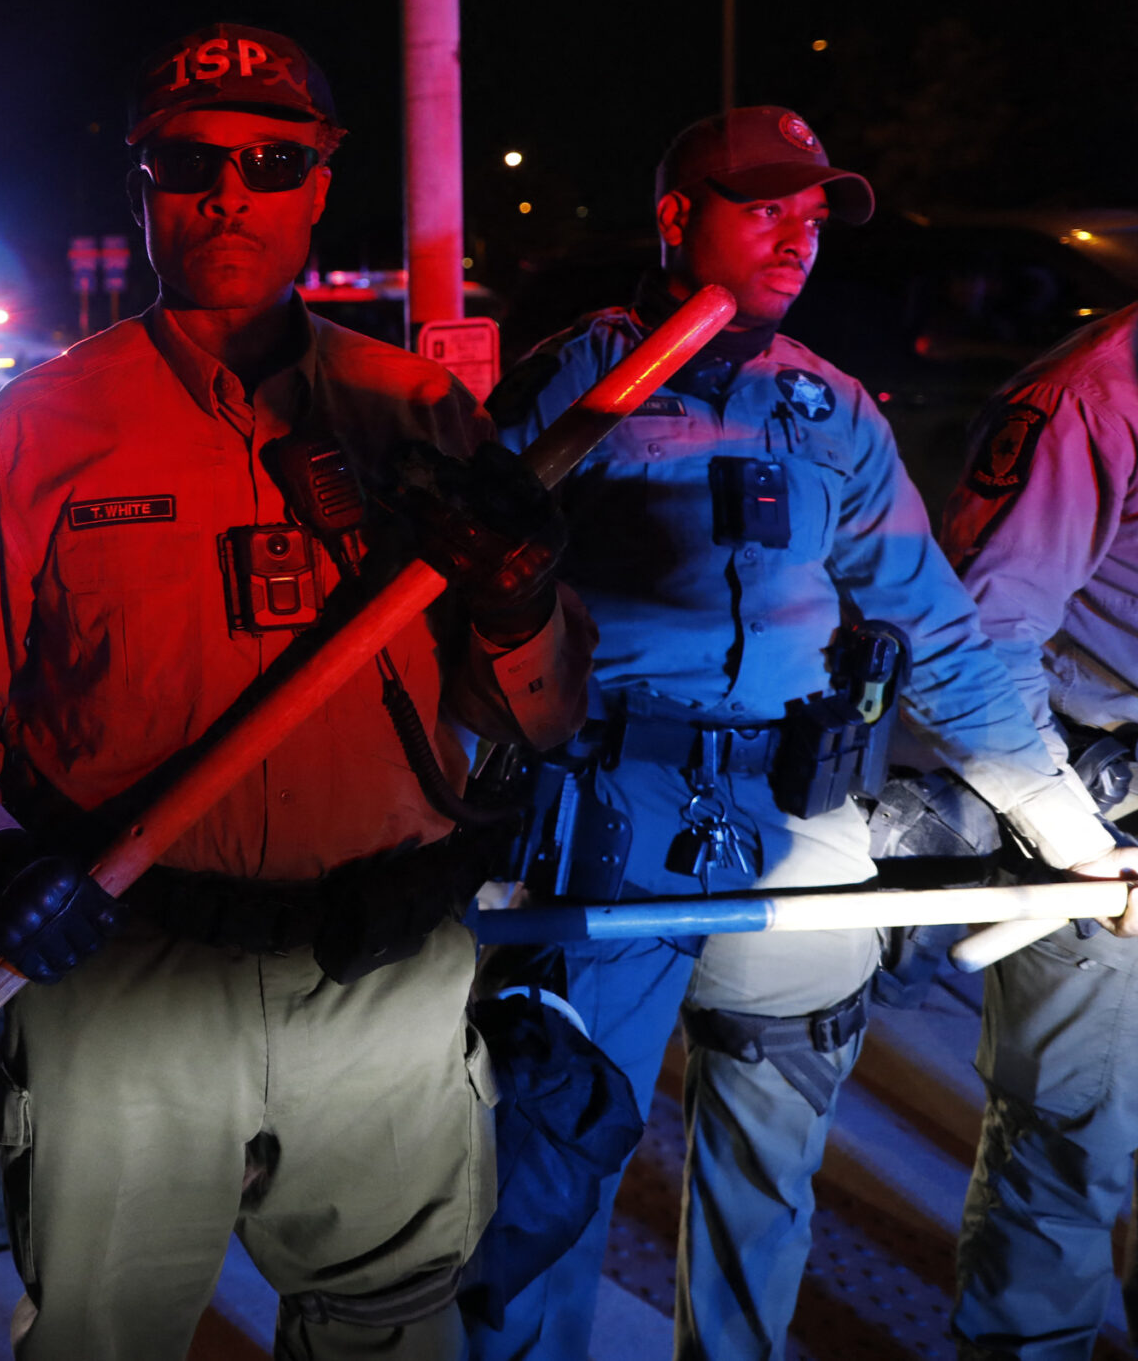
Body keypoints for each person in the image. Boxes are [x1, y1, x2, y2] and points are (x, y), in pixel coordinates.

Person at [0, 23, 596, 1361]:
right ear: (140, 185)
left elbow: (539, 718)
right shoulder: (37, 423)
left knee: (389, 1324)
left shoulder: (419, 411)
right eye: (190, 160)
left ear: (320, 181)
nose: (230, 189)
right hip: (129, 975)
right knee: (102, 1334)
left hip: (381, 977)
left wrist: (516, 604)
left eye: (272, 159)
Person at [468, 107, 1138, 1361]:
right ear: (679, 217)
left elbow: (944, 637)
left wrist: (1062, 829)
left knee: (766, 1184)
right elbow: (459, 610)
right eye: (763, 206)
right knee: (551, 1178)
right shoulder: (577, 384)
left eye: (813, 214)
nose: (797, 237)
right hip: (613, 817)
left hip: (796, 823)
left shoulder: (830, 413)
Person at [940, 303, 1138, 1358]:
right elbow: (978, 635)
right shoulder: (1090, 399)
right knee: (1069, 1157)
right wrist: (1072, 838)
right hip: (1107, 830)